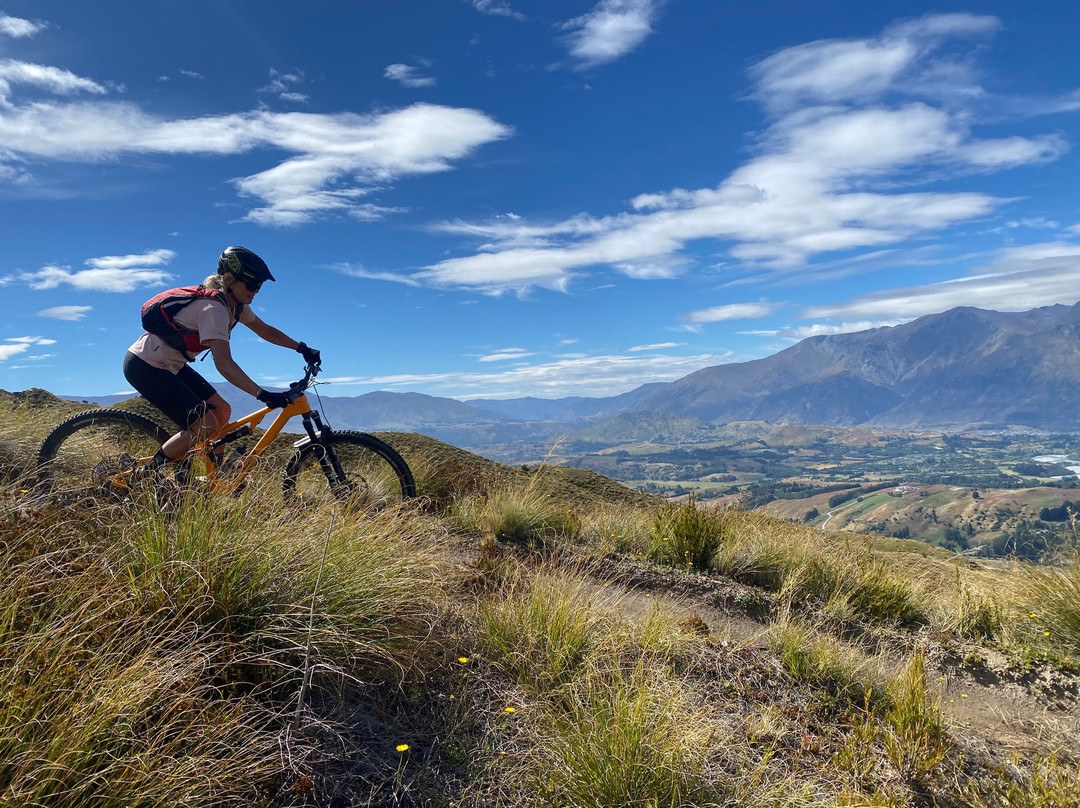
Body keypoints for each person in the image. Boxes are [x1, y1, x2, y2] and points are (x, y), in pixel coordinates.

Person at [123, 246, 321, 473]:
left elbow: (264, 330)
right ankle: (144, 475)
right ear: (229, 280)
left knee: (222, 411)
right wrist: (262, 394)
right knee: (205, 425)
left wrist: (301, 348)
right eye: (251, 284)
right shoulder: (213, 308)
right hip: (145, 365)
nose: (256, 290)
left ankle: (214, 479)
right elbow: (224, 364)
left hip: (171, 364)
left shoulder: (235, 306)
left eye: (259, 285)